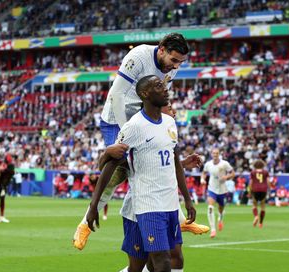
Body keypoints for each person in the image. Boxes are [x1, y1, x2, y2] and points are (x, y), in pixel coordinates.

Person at [87, 75, 197, 272]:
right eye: (159, 86)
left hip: (169, 205)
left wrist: (188, 199)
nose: (166, 89)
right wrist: (92, 208)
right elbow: (111, 164)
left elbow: (173, 161)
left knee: (156, 263)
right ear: (146, 94)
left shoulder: (170, 123)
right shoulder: (134, 126)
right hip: (145, 205)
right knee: (160, 261)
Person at [73, 33, 208, 250]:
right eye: (174, 60)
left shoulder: (171, 67)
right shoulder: (138, 56)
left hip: (143, 117)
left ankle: (181, 220)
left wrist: (166, 115)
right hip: (117, 118)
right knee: (116, 168)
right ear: (161, 49)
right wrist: (126, 131)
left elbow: (161, 96)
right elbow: (116, 95)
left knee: (154, 168)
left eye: (180, 62)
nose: (176, 66)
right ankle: (84, 224)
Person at [201, 148, 235, 238]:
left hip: (222, 189)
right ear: (211, 154)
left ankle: (220, 218)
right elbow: (204, 173)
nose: (215, 155)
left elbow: (233, 173)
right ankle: (213, 229)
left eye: (216, 153)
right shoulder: (208, 164)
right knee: (210, 207)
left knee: (221, 208)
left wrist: (226, 177)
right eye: (213, 153)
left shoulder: (224, 164)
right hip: (212, 188)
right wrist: (202, 179)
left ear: (219, 154)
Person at [0, 154, 15, 223]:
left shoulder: (10, 167)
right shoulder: (0, 164)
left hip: (2, 185)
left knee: (2, 199)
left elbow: (9, 172)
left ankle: (2, 216)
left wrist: (3, 169)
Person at [249, 159, 269, 228]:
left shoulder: (253, 172)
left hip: (255, 189)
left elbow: (251, 182)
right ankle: (260, 223)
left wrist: (250, 190)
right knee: (263, 206)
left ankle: (256, 216)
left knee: (254, 204)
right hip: (263, 190)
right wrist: (269, 189)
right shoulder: (265, 172)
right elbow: (268, 181)